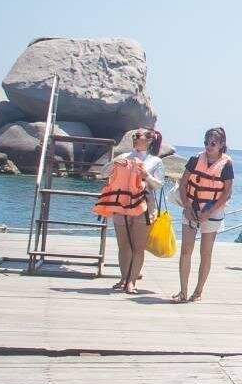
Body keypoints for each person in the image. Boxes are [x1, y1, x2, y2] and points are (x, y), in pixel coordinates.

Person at [95, 129, 164, 296]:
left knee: (138, 247)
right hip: (122, 205)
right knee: (123, 245)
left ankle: (132, 281)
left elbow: (158, 185)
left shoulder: (155, 161)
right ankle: (124, 278)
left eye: (138, 136)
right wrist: (114, 163)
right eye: (134, 136)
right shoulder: (124, 157)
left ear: (149, 140)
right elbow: (103, 173)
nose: (135, 138)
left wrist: (146, 176)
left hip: (144, 207)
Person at [174, 127, 233, 303]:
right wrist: (187, 206)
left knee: (205, 253)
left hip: (212, 211)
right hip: (191, 208)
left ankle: (198, 291)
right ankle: (183, 292)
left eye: (213, 143)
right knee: (186, 250)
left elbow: (227, 193)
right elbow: (183, 184)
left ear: (221, 144)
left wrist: (208, 213)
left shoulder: (226, 165)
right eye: (206, 142)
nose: (209, 146)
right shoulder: (195, 160)